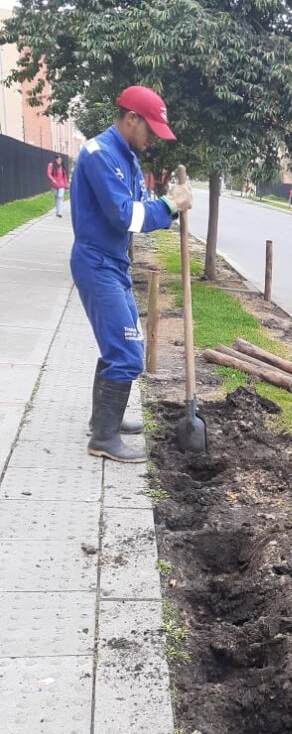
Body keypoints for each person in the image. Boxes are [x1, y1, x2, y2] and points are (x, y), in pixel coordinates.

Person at [69, 85, 193, 463]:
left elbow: (142, 208)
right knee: (127, 351)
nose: (153, 138)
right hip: (96, 262)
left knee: (118, 345)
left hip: (114, 261)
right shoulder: (99, 155)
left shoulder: (128, 159)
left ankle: (102, 421)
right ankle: (104, 439)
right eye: (150, 129)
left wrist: (168, 204)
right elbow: (126, 216)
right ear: (131, 118)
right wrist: (171, 204)